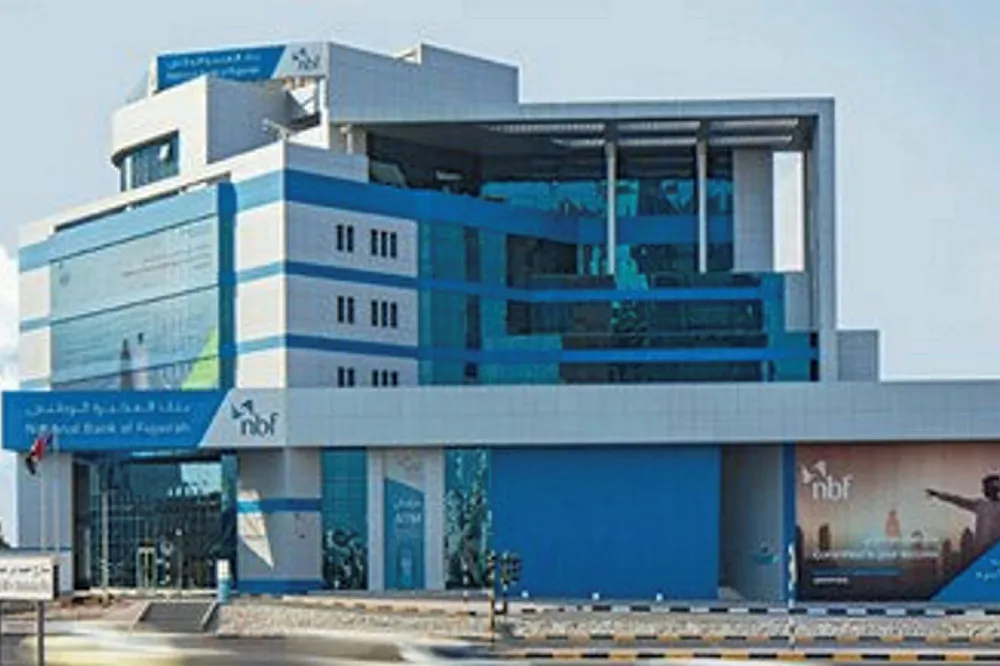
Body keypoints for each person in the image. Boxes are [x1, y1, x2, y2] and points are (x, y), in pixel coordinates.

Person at [927, 474, 1000, 554]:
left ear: (995, 489)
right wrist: (938, 495)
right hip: (981, 547)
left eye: (986, 487)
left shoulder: (982, 505)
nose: (984, 490)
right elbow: (957, 500)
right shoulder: (980, 504)